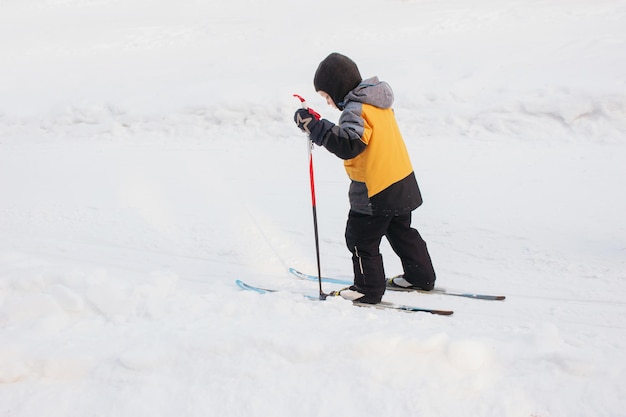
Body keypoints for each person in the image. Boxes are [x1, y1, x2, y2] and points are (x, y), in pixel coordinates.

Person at [293, 52, 436, 304]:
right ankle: (420, 276)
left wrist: (314, 127)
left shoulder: (354, 109)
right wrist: (321, 124)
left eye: (327, 96)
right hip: (401, 180)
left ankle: (367, 289)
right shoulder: (375, 101)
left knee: (360, 239)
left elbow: (349, 144)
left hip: (375, 188)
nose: (328, 102)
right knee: (401, 231)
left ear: (337, 88)